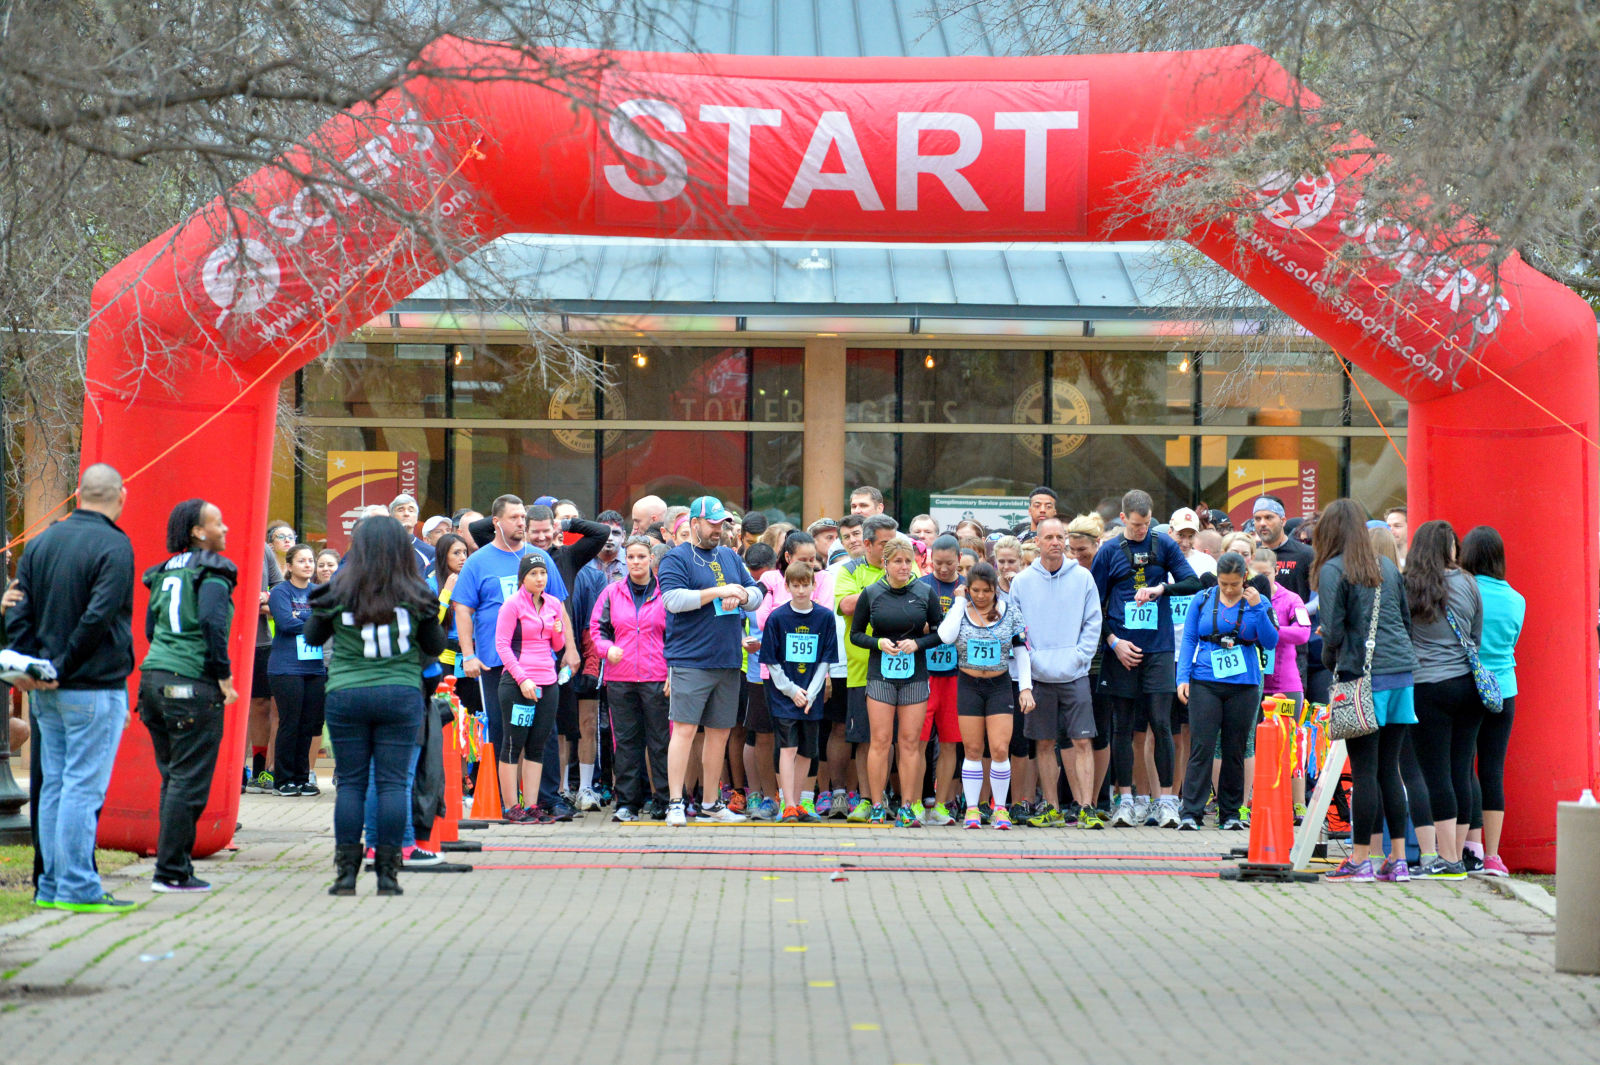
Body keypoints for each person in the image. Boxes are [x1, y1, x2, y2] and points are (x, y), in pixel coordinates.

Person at [5, 464, 138, 911]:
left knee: (56, 787)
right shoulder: (115, 545)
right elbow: (99, 616)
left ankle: (51, 886)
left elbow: (18, 608)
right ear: (120, 495)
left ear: (78, 493)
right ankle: (79, 887)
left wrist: (30, 667)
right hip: (93, 684)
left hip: (45, 689)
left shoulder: (41, 542)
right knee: (82, 788)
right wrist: (62, 666)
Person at [304, 516, 444, 895]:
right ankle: (387, 875)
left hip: (347, 693)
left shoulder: (338, 590)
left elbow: (314, 637)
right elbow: (435, 645)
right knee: (393, 784)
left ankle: (346, 875)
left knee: (350, 784)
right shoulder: (416, 592)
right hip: (400, 693)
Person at [137, 497, 240, 894]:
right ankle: (170, 872)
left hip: (154, 681)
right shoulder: (213, 572)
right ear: (198, 532)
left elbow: (150, 628)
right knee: (189, 783)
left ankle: (174, 866)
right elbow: (214, 625)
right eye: (218, 523)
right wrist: (224, 677)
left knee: (174, 779)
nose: (225, 528)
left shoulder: (162, 572)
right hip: (191, 683)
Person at [1315, 499, 1420, 883]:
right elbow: (1406, 623)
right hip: (1401, 676)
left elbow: (1334, 632)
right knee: (1389, 770)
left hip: (1362, 679)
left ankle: (1360, 859)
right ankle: (1398, 860)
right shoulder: (1388, 566)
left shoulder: (1333, 569)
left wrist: (1332, 663)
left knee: (1363, 771)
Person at [452, 495, 570, 818]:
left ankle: (543, 800)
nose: (522, 523)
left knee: (541, 736)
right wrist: (468, 654)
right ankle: (508, 803)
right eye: (515, 517)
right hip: (496, 665)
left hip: (540, 666)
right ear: (496, 522)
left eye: (523, 517)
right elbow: (463, 608)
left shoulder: (538, 557)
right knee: (506, 733)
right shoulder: (478, 561)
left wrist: (569, 649)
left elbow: (558, 606)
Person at [1090, 489, 1201, 827]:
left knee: (1161, 723)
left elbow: (1192, 582)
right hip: (1122, 650)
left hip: (1159, 648)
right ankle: (1124, 800)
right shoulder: (1108, 552)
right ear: (1123, 519)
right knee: (1122, 728)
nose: (1141, 531)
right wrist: (1113, 642)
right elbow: (1093, 607)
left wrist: (1160, 589)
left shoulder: (1163, 545)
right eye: (1136, 525)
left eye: (1147, 524)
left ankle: (1166, 801)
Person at [658, 496, 764, 825]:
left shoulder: (731, 557)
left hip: (728, 658)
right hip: (690, 659)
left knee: (719, 732)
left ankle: (709, 803)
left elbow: (756, 593)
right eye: (713, 524)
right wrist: (718, 593)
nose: (718, 529)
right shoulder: (676, 558)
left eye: (722, 524)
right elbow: (673, 600)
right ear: (694, 524)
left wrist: (742, 595)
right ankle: (676, 802)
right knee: (685, 731)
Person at [1009, 517, 1104, 828]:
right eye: (1047, 536)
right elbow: (1017, 631)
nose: (1054, 542)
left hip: (1075, 674)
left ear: (1065, 539)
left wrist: (1080, 658)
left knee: (1082, 741)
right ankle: (1052, 807)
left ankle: (1086, 807)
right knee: (1044, 743)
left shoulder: (1083, 578)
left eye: (1058, 536)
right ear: (1037, 541)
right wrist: (1031, 664)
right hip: (1037, 676)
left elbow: (1093, 623)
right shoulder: (1022, 582)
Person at [1405, 519, 1485, 880]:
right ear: (1450, 548)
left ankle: (1447, 859)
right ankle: (1461, 855)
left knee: (1435, 773)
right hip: (1468, 686)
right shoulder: (1468, 582)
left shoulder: (1411, 585)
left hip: (1427, 687)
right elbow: (1475, 634)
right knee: (1461, 770)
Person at [1175, 552, 1279, 830]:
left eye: (1234, 584)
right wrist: (1182, 677)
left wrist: (1257, 608)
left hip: (1244, 684)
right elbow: (1188, 638)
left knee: (1235, 748)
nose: (1230, 590)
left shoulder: (1258, 600)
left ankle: (1231, 813)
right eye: (1224, 584)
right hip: (1206, 680)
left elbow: (1270, 641)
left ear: (1244, 578)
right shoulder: (1203, 598)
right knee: (1202, 746)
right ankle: (1191, 812)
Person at [849, 535, 945, 827]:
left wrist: (918, 644)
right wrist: (878, 644)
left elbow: (940, 632)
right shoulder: (872, 593)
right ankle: (878, 804)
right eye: (899, 562)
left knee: (910, 742)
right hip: (880, 674)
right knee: (880, 741)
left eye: (909, 561)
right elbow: (856, 634)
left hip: (915, 675)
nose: (905, 567)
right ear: (886, 564)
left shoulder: (925, 592)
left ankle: (908, 805)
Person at [936, 562, 1031, 829]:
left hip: (999, 685)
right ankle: (973, 808)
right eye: (975, 590)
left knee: (1000, 748)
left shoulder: (1009, 612)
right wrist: (958, 603)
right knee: (973, 749)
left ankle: (1000, 808)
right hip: (968, 684)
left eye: (986, 591)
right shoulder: (961, 611)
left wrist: (1025, 688)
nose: (980, 596)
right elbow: (945, 637)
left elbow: (1022, 650)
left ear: (995, 590)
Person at [1458, 525, 1523, 877]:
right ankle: (1494, 855)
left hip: (1468, 686)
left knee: (1465, 765)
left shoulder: (1466, 592)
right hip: (1505, 688)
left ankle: (1471, 847)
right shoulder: (1517, 599)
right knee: (1493, 769)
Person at [592, 536, 669, 822]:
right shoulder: (611, 592)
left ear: (651, 559)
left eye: (641, 557)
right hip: (620, 677)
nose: (636, 562)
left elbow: (674, 636)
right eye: (632, 557)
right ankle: (627, 803)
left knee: (660, 741)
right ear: (626, 561)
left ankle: (663, 799)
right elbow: (596, 630)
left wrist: (671, 671)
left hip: (656, 676)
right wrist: (605, 648)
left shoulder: (665, 592)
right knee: (624, 742)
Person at [494, 554, 576, 823]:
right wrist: (522, 679)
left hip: (547, 681)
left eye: (543, 573)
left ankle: (531, 805)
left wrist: (558, 629)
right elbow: (503, 646)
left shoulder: (553, 603)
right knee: (512, 743)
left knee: (537, 745)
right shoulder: (512, 605)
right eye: (533, 574)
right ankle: (510, 807)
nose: (540, 578)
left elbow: (555, 646)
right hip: (518, 683)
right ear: (523, 578)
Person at [762, 561, 839, 821]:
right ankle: (788, 804)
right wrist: (791, 690)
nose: (801, 591)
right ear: (787, 587)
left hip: (811, 695)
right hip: (785, 695)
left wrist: (812, 692)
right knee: (787, 748)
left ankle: (799, 803)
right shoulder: (778, 617)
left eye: (805, 585)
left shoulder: (825, 617)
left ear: (814, 586)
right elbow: (771, 661)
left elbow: (825, 660)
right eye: (795, 586)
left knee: (808, 750)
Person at [834, 513, 899, 821]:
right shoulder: (849, 569)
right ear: (869, 543)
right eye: (885, 544)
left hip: (900, 668)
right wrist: (887, 593)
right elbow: (846, 605)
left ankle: (884, 795)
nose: (891, 551)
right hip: (862, 669)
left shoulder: (905, 565)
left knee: (890, 740)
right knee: (864, 739)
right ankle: (865, 797)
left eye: (894, 543)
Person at [1249, 548, 1311, 819]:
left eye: (1266, 574)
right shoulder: (1246, 597)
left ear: (1276, 571)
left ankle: (1297, 803)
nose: (1262, 580)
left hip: (1285, 686)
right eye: (1256, 574)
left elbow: (1303, 633)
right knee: (1254, 744)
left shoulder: (1291, 599)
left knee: (1289, 744)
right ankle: (1256, 800)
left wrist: (1272, 630)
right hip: (1253, 683)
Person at [266, 543, 327, 796]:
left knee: (309, 723)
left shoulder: (319, 591)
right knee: (290, 722)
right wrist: (313, 621)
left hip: (315, 667)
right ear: (288, 566)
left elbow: (327, 621)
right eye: (301, 561)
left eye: (310, 560)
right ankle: (283, 779)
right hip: (286, 667)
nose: (308, 565)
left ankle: (302, 777)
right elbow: (284, 623)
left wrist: (301, 617)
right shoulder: (281, 591)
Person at [915, 535, 964, 825]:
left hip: (955, 677)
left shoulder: (966, 587)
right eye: (937, 563)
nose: (943, 569)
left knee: (949, 742)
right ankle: (916, 802)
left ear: (959, 559)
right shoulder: (921, 586)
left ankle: (942, 803)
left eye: (949, 563)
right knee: (918, 742)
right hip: (925, 674)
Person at [245, 534, 284, 794]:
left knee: (260, 705)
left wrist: (266, 596)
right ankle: (232, 770)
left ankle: (259, 771)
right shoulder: (210, 541)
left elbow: (280, 586)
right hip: (222, 640)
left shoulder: (261, 547)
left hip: (259, 641)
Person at [391, 493, 433, 572]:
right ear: (391, 516)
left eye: (411, 510)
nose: (406, 514)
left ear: (416, 517)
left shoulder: (429, 552)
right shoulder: (381, 548)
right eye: (400, 510)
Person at [1170, 508, 1216, 576]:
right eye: (1181, 535)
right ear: (1170, 532)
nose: (1185, 543)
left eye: (1191, 536)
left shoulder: (1207, 562)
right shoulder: (1158, 561)